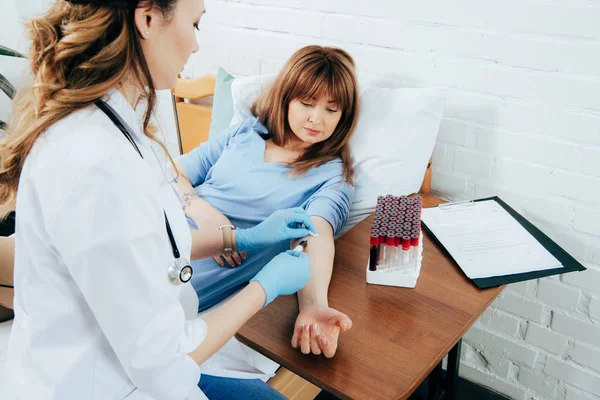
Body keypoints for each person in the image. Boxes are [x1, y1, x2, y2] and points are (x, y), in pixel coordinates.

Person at [0, 1, 316, 399]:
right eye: (195, 24)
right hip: (106, 384)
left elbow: (151, 248)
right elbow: (164, 364)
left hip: (131, 365)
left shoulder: (121, 127)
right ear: (147, 19)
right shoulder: (97, 164)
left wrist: (242, 238)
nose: (197, 46)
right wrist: (264, 287)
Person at [175, 45, 359, 359]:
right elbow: (173, 173)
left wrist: (315, 306)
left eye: (332, 109)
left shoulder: (331, 176)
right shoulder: (246, 132)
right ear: (286, 97)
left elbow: (317, 233)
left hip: (181, 287)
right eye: (307, 103)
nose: (317, 119)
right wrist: (206, 215)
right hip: (158, 240)